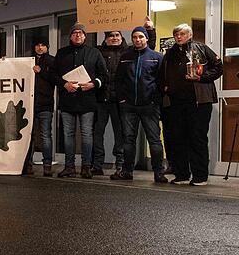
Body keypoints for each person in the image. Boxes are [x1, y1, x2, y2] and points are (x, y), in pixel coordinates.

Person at [159, 23, 222, 186]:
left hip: (199, 101)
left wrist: (202, 77)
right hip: (175, 102)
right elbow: (161, 75)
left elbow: (218, 68)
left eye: (181, 34)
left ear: (190, 35)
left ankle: (200, 176)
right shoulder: (169, 53)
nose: (178, 37)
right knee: (178, 138)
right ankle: (182, 175)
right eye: (176, 35)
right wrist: (164, 86)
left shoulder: (201, 48)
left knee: (197, 138)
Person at [92, 17, 156, 175]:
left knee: (120, 134)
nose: (114, 38)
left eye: (117, 35)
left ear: (122, 38)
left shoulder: (128, 52)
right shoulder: (98, 53)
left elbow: (149, 47)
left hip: (119, 101)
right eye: (111, 35)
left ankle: (121, 165)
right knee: (97, 133)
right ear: (105, 39)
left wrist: (150, 30)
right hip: (101, 99)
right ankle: (97, 165)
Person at [51, 23, 108, 179]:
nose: (78, 35)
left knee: (87, 135)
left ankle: (86, 167)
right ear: (70, 36)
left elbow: (104, 75)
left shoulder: (94, 53)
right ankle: (69, 167)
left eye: (81, 33)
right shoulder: (62, 53)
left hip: (87, 100)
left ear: (85, 36)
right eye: (75, 33)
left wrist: (93, 84)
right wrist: (64, 84)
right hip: (67, 100)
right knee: (68, 135)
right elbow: (53, 75)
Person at [112, 26, 167, 183]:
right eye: (135, 37)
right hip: (128, 106)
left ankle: (159, 173)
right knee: (128, 140)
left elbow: (162, 81)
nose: (137, 40)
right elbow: (119, 81)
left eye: (141, 37)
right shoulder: (125, 57)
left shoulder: (157, 57)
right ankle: (127, 171)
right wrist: (122, 100)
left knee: (154, 140)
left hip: (150, 106)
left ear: (146, 39)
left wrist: (155, 100)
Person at [23, 39, 56, 176]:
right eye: (37, 44)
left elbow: (56, 79)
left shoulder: (52, 61)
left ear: (47, 47)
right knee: (29, 136)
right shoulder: (28, 61)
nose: (40, 47)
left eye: (43, 45)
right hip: (29, 105)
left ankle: (47, 165)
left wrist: (41, 71)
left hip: (45, 105)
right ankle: (27, 164)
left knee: (45, 136)